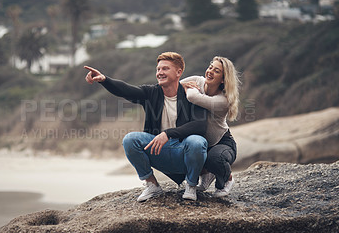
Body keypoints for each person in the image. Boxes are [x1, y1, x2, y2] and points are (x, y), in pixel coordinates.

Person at [84, 52, 208, 202]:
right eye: (158, 69)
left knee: (197, 141)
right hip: (160, 150)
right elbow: (127, 90)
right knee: (130, 139)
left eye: (165, 69)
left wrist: (167, 134)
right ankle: (152, 185)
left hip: (184, 150)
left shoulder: (192, 94)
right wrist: (104, 80)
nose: (160, 73)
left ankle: (191, 185)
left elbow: (200, 125)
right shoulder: (151, 93)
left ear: (179, 72)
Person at [180, 56, 240, 197]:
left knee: (214, 159)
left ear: (223, 79)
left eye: (216, 71)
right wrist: (181, 85)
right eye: (210, 67)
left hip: (222, 142)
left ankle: (228, 179)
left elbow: (193, 97)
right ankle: (206, 174)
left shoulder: (223, 101)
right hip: (202, 142)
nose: (210, 71)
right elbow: (171, 87)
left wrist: (186, 87)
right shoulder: (197, 80)